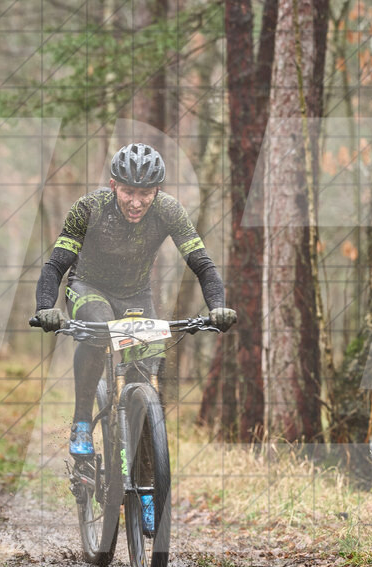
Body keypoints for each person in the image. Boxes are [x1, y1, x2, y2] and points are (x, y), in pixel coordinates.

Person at [32, 142, 236, 495]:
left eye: (145, 193)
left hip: (136, 296)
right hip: (88, 287)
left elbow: (202, 263)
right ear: (114, 186)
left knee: (144, 373)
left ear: (157, 191)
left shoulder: (169, 210)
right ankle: (82, 420)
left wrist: (217, 305)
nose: (136, 201)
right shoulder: (89, 208)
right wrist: (45, 307)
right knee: (99, 329)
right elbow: (55, 265)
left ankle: (144, 463)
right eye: (128, 191)